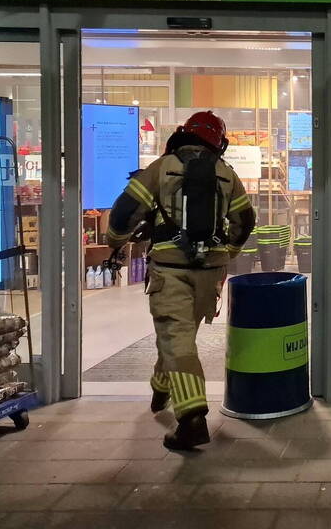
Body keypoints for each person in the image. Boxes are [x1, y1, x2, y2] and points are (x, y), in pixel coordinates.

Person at [106, 111, 256, 450]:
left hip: (170, 271)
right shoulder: (226, 173)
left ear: (182, 134)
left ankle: (191, 418)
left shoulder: (161, 168)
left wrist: (116, 241)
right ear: (220, 143)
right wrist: (228, 251)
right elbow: (245, 220)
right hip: (209, 275)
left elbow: (123, 212)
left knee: (177, 338)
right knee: (179, 334)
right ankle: (161, 387)